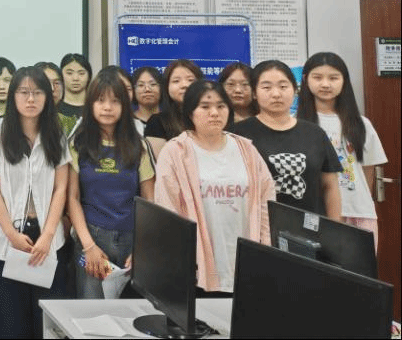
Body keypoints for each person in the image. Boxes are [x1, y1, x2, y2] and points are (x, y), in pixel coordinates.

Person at [154, 80, 276, 295]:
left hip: (245, 261)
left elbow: (266, 201)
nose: (214, 113)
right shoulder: (175, 152)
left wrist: (266, 248)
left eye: (221, 106)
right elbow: (167, 210)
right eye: (205, 106)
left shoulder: (246, 149)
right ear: (190, 113)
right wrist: (179, 260)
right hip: (196, 269)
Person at [0, 66, 69, 338]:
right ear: (13, 96)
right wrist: (11, 234)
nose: (31, 99)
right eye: (23, 92)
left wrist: (48, 235)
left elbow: (61, 188)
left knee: (47, 327)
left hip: (47, 241)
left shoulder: (57, 135)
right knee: (10, 328)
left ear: (48, 97)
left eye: (38, 92)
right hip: (6, 242)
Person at [67, 71, 154, 299]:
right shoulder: (78, 144)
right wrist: (89, 246)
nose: (107, 107)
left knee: (131, 310)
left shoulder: (139, 146)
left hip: (132, 241)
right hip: (92, 240)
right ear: (90, 104)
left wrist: (142, 248)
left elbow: (150, 201)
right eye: (100, 100)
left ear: (125, 105)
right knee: (92, 309)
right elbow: (72, 198)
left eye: (115, 101)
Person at [228, 60, 342, 220]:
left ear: (295, 90)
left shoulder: (315, 133)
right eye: (266, 87)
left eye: (283, 86)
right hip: (258, 226)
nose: (276, 94)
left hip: (310, 228)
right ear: (254, 93)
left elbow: (330, 186)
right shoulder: (237, 134)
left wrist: (335, 228)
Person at [298, 52, 387, 248]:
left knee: (361, 268)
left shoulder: (361, 124)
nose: (325, 84)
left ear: (344, 80)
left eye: (333, 78)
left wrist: (359, 199)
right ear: (305, 80)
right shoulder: (297, 124)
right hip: (316, 214)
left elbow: (368, 169)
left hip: (359, 212)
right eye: (318, 77)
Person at [144, 59, 203, 157]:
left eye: (190, 80)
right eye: (176, 81)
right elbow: (160, 162)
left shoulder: (211, 117)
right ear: (167, 87)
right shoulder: (157, 122)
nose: (184, 85)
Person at [57, 53, 92, 135]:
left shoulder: (95, 109)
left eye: (81, 73)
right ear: (60, 76)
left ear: (89, 76)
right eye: (69, 73)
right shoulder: (53, 110)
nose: (75, 78)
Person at [131, 66, 162, 133]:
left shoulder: (171, 121)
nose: (147, 89)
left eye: (153, 84)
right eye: (141, 85)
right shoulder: (127, 122)